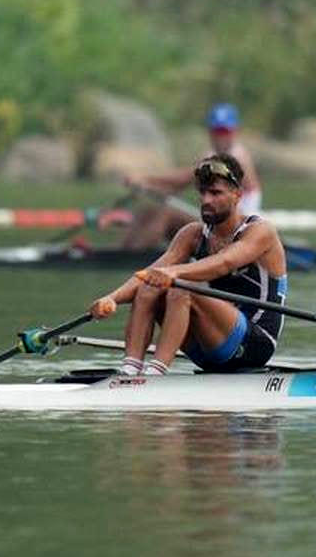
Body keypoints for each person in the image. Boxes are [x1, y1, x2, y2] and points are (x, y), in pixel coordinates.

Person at [88, 152, 286, 376]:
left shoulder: (260, 231)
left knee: (181, 289)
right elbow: (148, 273)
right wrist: (111, 299)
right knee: (149, 285)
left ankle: (155, 373)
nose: (206, 200)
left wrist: (172, 274)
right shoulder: (192, 234)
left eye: (215, 193)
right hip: (208, 346)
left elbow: (224, 262)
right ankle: (130, 369)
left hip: (253, 344)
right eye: (202, 192)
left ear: (237, 195)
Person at [120, 103, 263, 249]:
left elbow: (186, 177)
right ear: (209, 132)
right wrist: (148, 187)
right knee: (147, 212)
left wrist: (145, 179)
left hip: (237, 231)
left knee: (166, 215)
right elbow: (180, 185)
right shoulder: (211, 154)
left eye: (225, 131)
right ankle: (123, 253)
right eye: (216, 131)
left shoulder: (236, 157)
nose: (221, 137)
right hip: (219, 222)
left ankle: (134, 258)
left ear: (235, 131)